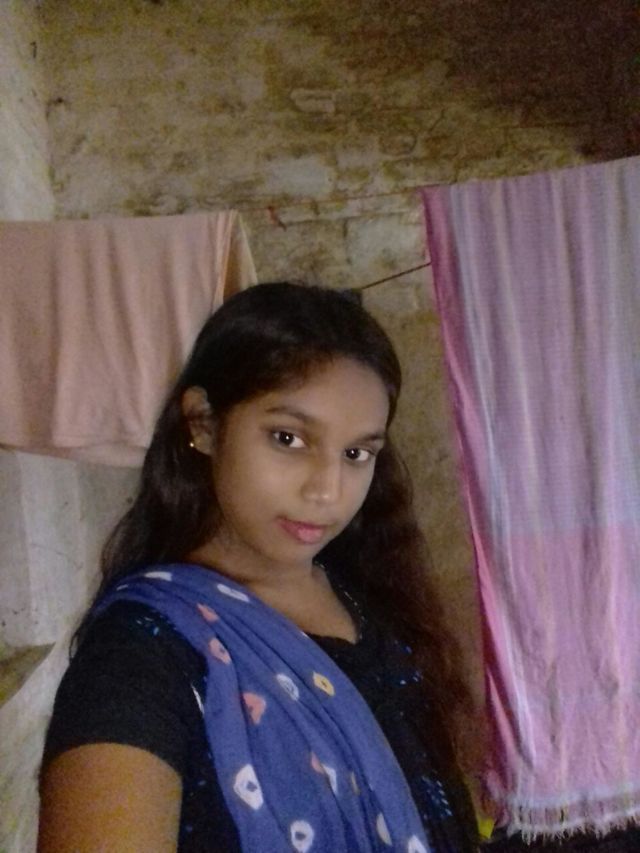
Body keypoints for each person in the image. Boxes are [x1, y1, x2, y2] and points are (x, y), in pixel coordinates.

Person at [38, 282, 478, 852]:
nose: (327, 490)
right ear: (203, 424)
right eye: (288, 438)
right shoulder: (141, 655)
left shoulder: (367, 595)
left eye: (356, 453)